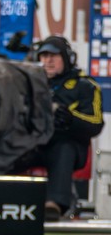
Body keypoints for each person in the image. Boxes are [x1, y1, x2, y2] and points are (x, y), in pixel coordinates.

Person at [31, 36, 104, 220]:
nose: (48, 61)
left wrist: (71, 120)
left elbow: (96, 124)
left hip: (69, 147)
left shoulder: (85, 86)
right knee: (7, 144)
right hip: (34, 144)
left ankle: (54, 205)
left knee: (63, 148)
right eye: (44, 56)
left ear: (67, 58)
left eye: (53, 56)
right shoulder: (30, 84)